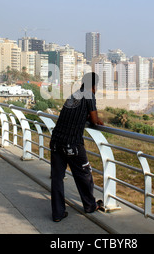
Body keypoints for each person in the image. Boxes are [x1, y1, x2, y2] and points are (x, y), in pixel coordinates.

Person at [49, 72, 104, 222]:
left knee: (57, 178)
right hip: (72, 143)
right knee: (84, 174)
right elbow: (93, 120)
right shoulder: (89, 95)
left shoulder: (74, 95)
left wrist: (87, 116)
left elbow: (77, 114)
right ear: (94, 86)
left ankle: (58, 213)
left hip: (56, 141)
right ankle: (90, 205)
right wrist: (97, 119)